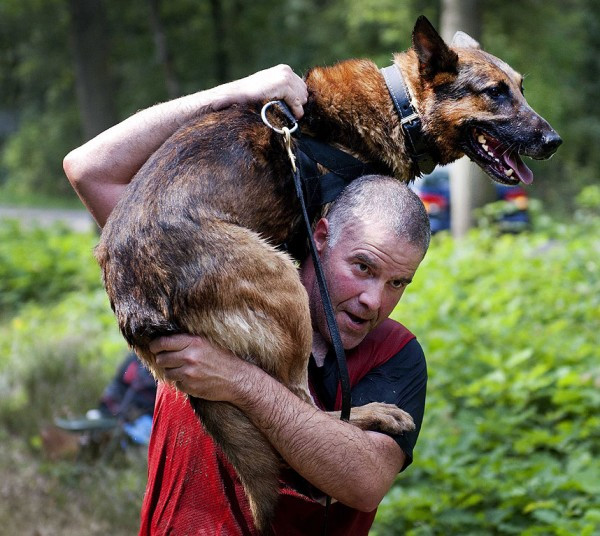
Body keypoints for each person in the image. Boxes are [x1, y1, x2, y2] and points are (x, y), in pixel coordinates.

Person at [63, 65, 430, 535]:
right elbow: (88, 168)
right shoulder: (199, 282)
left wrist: (238, 381)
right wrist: (235, 93)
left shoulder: (396, 353)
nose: (372, 299)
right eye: (362, 267)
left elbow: (362, 482)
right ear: (320, 234)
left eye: (399, 282)